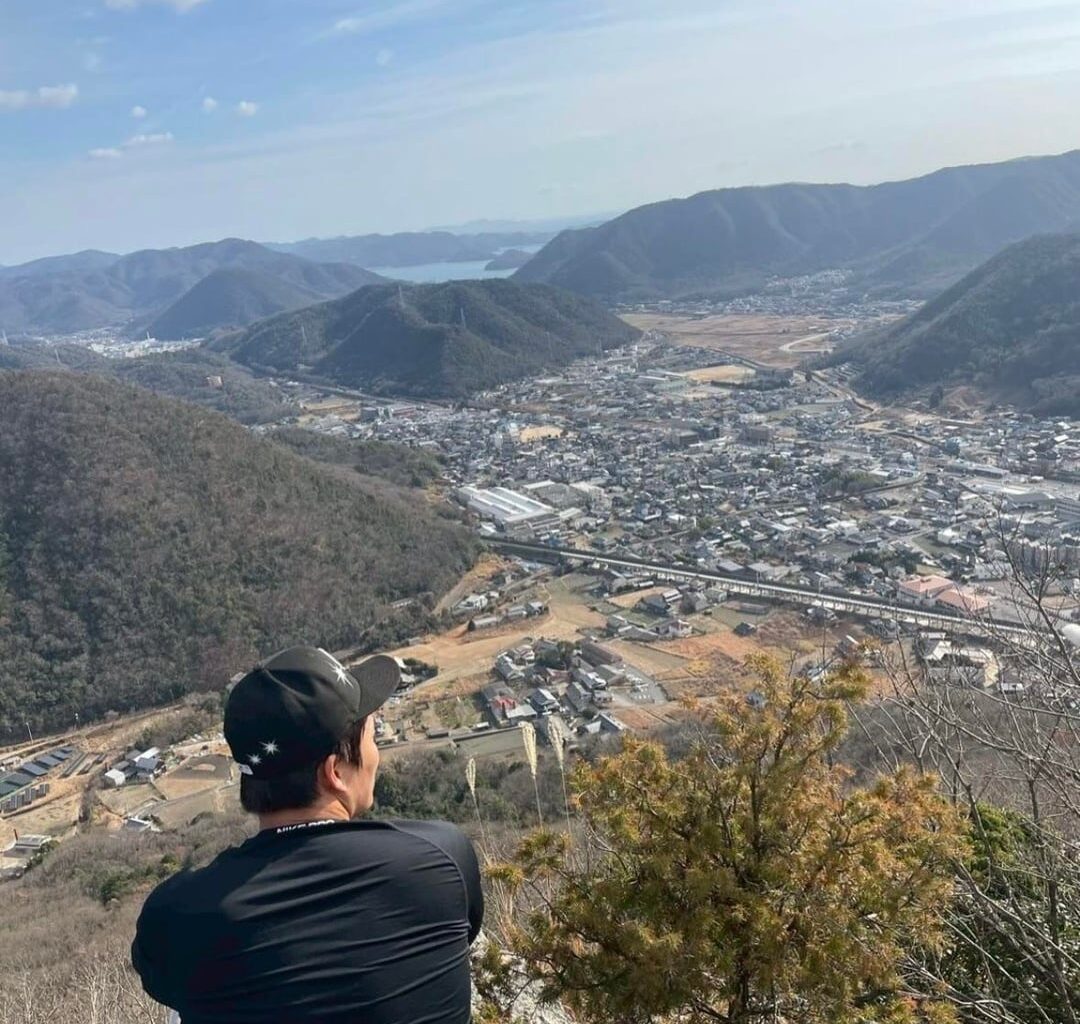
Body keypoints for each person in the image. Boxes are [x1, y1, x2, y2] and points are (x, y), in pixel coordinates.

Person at [132, 645, 484, 1024]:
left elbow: (165, 983)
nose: (376, 752)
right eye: (371, 734)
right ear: (334, 771)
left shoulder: (176, 916)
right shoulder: (441, 856)